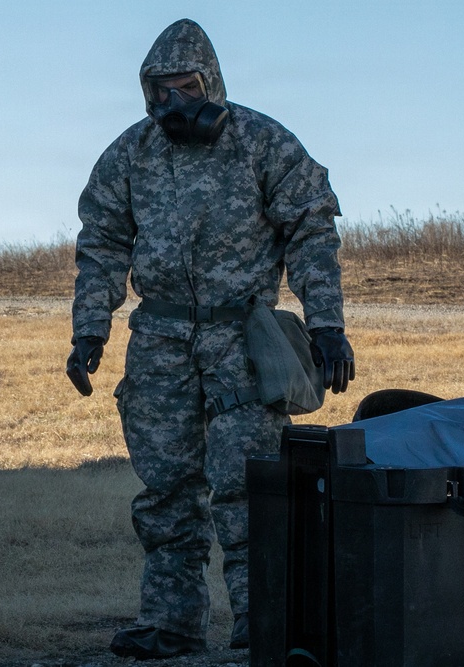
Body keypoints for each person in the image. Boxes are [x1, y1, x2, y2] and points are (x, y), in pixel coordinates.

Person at [66, 19, 355, 660]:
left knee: (249, 484)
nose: (173, 105)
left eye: (186, 88)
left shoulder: (265, 144)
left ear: (213, 82)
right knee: (166, 487)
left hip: (244, 340)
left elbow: (312, 231)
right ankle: (172, 623)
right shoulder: (130, 153)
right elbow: (102, 243)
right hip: (160, 339)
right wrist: (90, 328)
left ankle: (265, 620)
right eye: (159, 93)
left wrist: (327, 324)